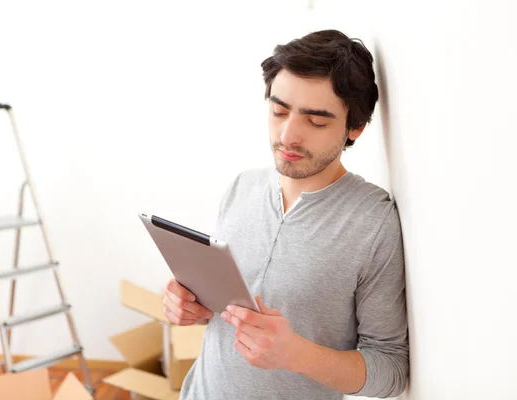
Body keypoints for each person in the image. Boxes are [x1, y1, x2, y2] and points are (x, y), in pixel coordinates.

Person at [163, 29, 409, 399]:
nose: (288, 135)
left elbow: (390, 370)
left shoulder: (373, 223)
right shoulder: (241, 188)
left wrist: (295, 354)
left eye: (316, 121)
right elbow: (227, 313)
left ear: (354, 129)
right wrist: (193, 307)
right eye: (279, 111)